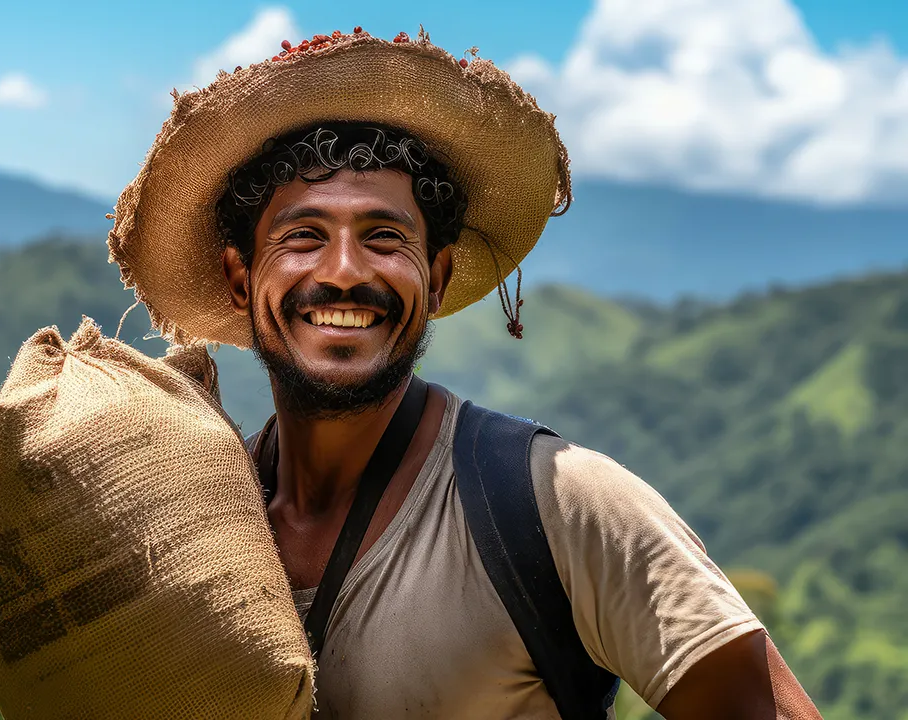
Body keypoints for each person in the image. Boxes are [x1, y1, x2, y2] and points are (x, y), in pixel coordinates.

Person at [107, 28, 821, 719]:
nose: (346, 272)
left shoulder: (559, 506)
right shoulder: (197, 528)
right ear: (240, 278)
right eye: (303, 236)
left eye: (385, 237)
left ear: (438, 277)